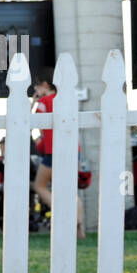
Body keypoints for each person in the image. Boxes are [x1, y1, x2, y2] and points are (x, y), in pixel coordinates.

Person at [31, 74, 85, 239]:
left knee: (40, 186)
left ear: (45, 85)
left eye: (37, 87)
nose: (35, 90)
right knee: (70, 190)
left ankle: (64, 214)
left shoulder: (44, 102)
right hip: (72, 150)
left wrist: (34, 101)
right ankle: (79, 227)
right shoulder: (66, 99)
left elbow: (32, 121)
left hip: (53, 151)